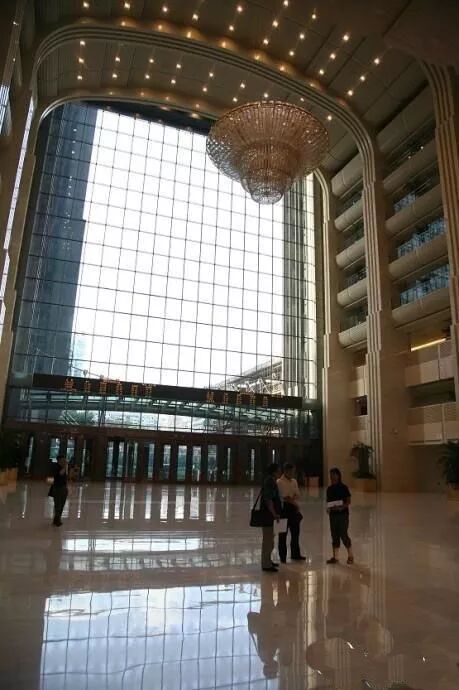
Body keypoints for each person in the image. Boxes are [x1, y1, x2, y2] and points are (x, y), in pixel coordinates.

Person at [277, 463, 306, 563]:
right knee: (282, 535)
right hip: (283, 510)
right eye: (291, 471)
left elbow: (297, 494)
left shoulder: (294, 481)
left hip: (293, 509)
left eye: (294, 471)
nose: (293, 473)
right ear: (286, 471)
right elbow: (285, 497)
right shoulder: (279, 482)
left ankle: (295, 554)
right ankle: (283, 557)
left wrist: (292, 500)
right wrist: (295, 503)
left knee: (295, 534)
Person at [326, 467, 354, 564]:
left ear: (338, 476)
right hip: (333, 515)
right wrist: (328, 508)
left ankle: (350, 555)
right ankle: (335, 557)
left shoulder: (344, 487)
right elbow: (328, 502)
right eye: (331, 475)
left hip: (343, 515)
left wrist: (342, 507)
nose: (332, 477)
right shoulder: (329, 489)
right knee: (334, 535)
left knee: (343, 534)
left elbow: (348, 501)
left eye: (334, 475)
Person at [260, 462, 282, 572]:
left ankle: (268, 560)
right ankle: (266, 564)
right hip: (268, 516)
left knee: (270, 540)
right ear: (274, 471)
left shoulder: (271, 480)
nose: (280, 472)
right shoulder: (270, 481)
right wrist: (274, 514)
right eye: (278, 470)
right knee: (268, 540)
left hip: (270, 515)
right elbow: (268, 500)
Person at [51, 455, 68, 526]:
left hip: (64, 487)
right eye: (63, 460)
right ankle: (57, 519)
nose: (65, 461)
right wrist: (65, 467)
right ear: (59, 460)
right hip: (57, 488)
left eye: (65, 460)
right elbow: (60, 474)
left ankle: (57, 518)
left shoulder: (63, 467)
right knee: (58, 504)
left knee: (62, 504)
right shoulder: (56, 467)